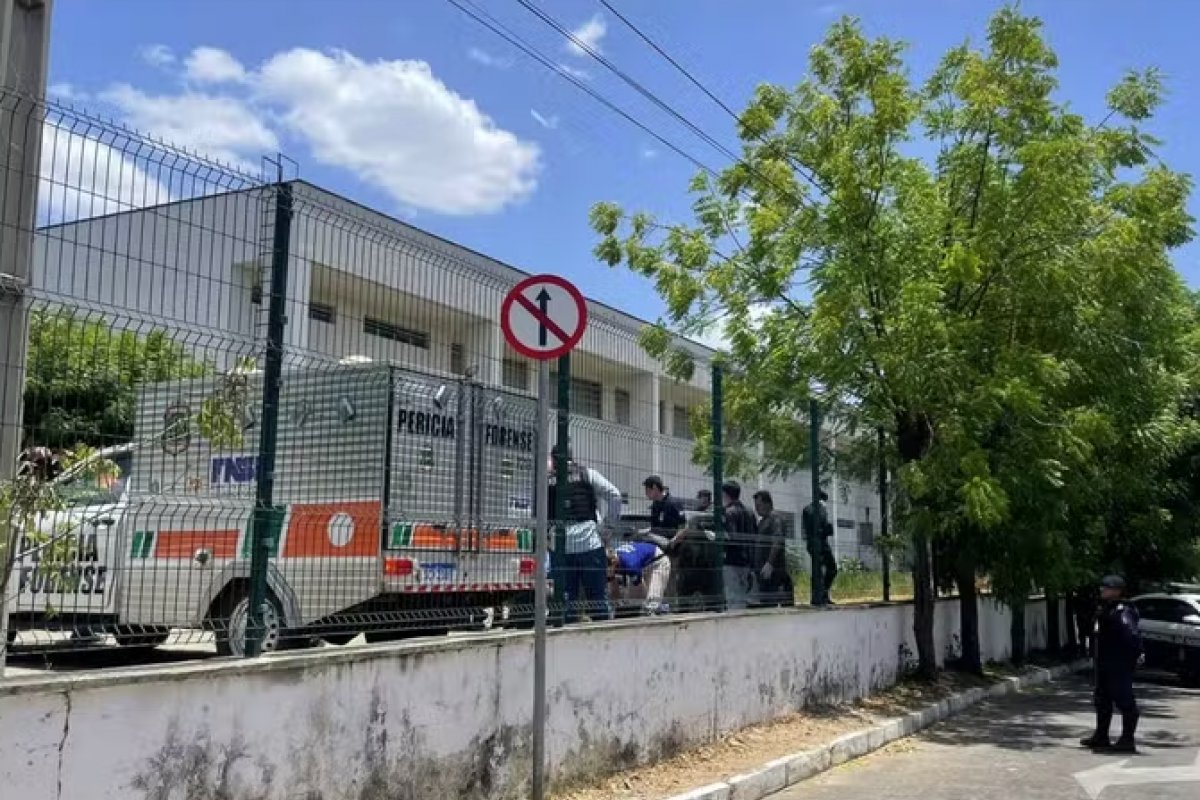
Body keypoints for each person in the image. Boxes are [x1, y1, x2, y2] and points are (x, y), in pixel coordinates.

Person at [547, 447, 623, 624]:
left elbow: (540, 513)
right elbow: (615, 495)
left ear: (553, 459)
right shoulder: (586, 474)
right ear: (572, 457)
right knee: (597, 598)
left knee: (566, 600)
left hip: (560, 546)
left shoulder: (547, 481)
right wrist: (606, 529)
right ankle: (604, 638)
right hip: (589, 544)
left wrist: (546, 538)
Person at [1081, 575, 1143, 753]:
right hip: (1105, 662)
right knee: (1102, 699)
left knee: (1125, 700)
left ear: (1117, 591)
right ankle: (1101, 737)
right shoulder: (1107, 609)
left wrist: (1131, 657)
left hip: (1118, 664)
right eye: (1103, 587)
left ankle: (1127, 740)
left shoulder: (1123, 611)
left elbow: (1131, 634)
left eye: (1107, 588)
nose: (1102, 590)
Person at [720, 481, 758, 610]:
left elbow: (731, 537)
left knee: (732, 597)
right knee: (744, 594)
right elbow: (755, 536)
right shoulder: (750, 512)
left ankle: (735, 624)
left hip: (732, 559)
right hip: (748, 560)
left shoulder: (728, 512)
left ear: (726, 494)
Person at [752, 490, 793, 606]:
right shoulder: (762, 522)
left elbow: (777, 541)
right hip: (763, 571)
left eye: (758, 505)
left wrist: (769, 563)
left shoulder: (775, 519)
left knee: (772, 603)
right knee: (765, 602)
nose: (756, 509)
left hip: (774, 570)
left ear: (768, 503)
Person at [609, 540, 671, 615]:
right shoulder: (610, 561)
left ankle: (662, 609)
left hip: (658, 562)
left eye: (609, 567)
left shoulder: (630, 564)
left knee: (651, 604)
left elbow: (640, 588)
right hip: (643, 564)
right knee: (632, 604)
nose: (607, 570)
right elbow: (614, 592)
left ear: (614, 562)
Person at [801, 490, 838, 604]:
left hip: (812, 543)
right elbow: (823, 527)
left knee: (817, 570)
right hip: (821, 543)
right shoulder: (820, 509)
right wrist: (827, 529)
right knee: (831, 568)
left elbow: (807, 529)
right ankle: (822, 594)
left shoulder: (807, 509)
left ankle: (818, 595)